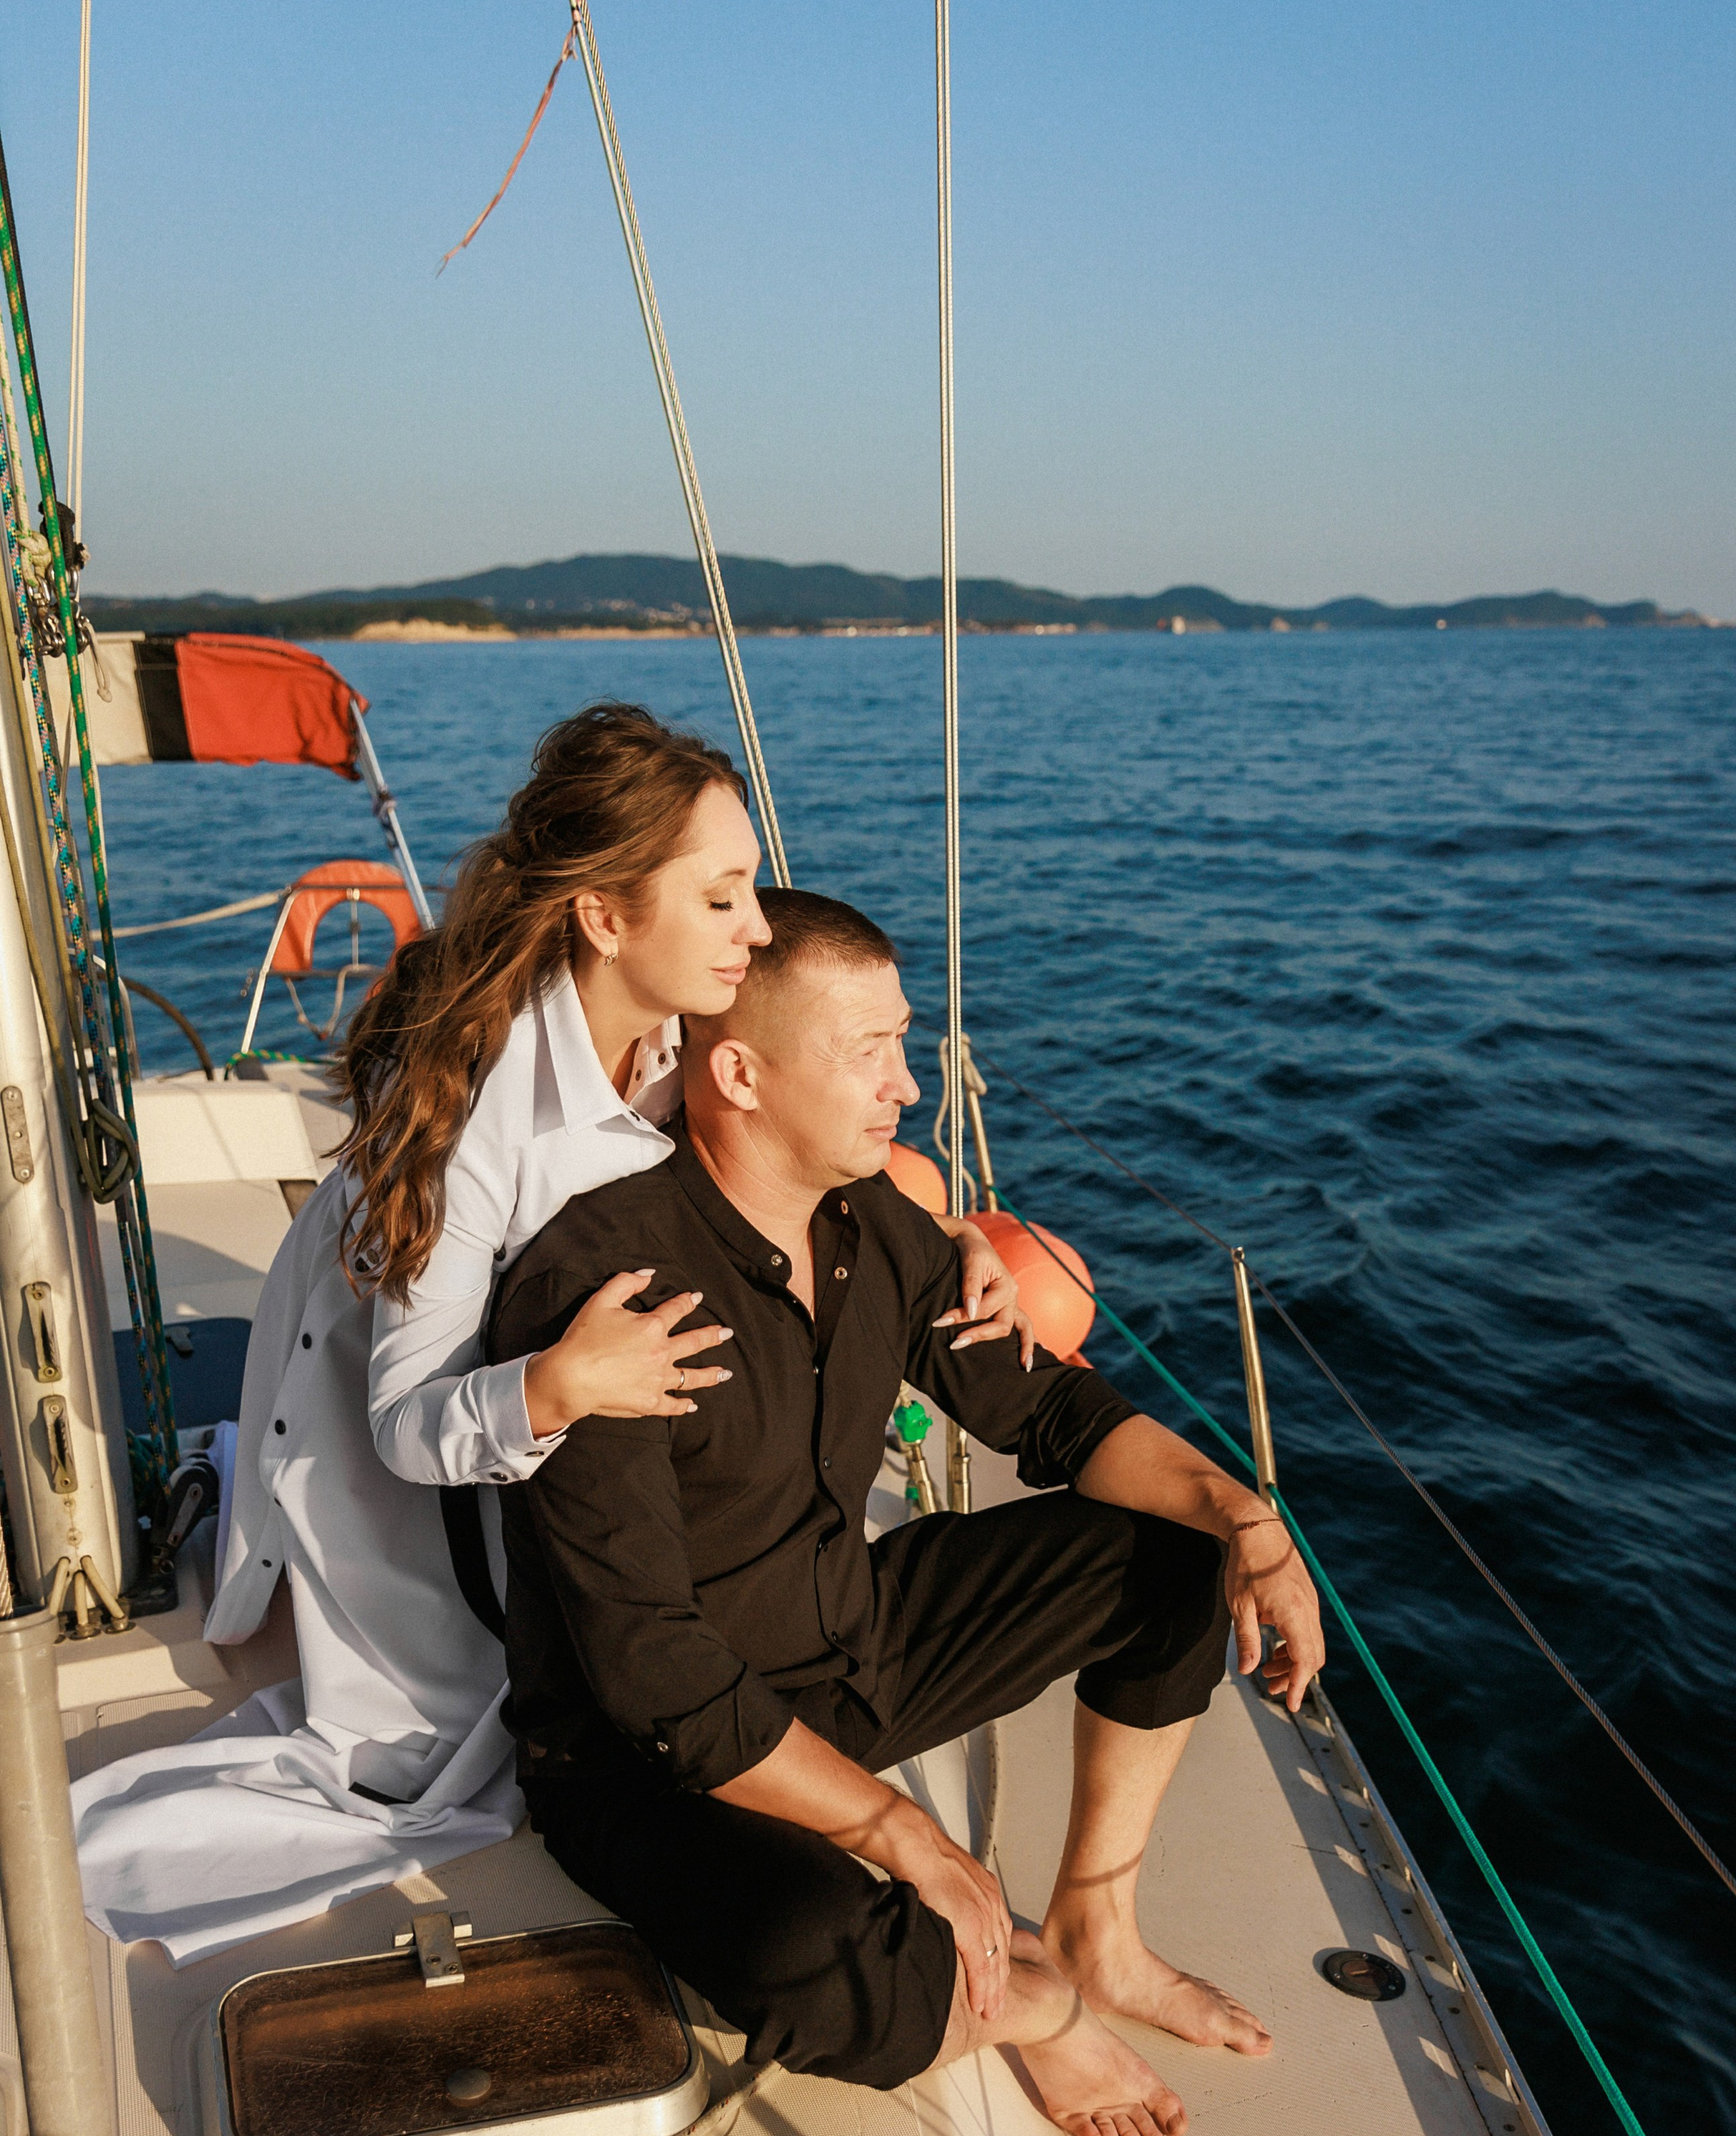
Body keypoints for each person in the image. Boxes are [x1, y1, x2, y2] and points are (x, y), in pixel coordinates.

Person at [72, 708, 1023, 1962]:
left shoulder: (685, 1025)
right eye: (726, 896)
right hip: (402, 1406)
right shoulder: (480, 1114)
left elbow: (809, 1114)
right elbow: (409, 1426)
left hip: (532, 1375)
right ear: (609, 919)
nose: (759, 927)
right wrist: (559, 1386)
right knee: (486, 1719)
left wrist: (944, 1233)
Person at [490, 887, 1327, 2136]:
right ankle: (1036, 2002)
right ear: (739, 1074)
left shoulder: (872, 1222)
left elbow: (1053, 1420)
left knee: (1175, 1553)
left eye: (902, 1041)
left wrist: (1246, 1518)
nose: (906, 1088)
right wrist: (903, 1834)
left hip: (846, 1637)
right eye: (864, 1051)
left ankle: (1097, 1927)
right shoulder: (607, 1288)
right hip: (647, 1756)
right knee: (813, 1961)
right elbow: (651, 1667)